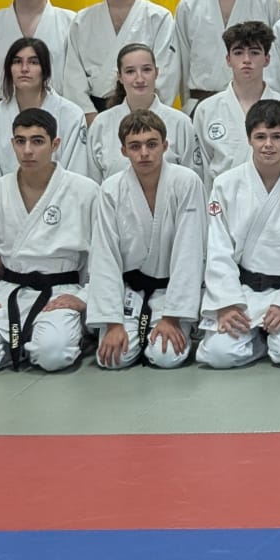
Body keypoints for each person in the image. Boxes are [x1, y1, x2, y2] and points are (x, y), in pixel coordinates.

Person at [0, 108, 101, 375]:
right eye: (21, 141)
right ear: (13, 144)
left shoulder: (85, 191)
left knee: (53, 356)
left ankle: (61, 339)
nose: (28, 150)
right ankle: (21, 346)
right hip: (8, 292)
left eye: (37, 141)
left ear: (55, 144)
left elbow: (101, 254)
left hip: (60, 291)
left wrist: (84, 297)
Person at [197, 99, 280, 369]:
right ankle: (259, 340)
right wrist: (228, 303)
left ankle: (271, 337)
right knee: (218, 355)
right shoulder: (225, 184)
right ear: (249, 138)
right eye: (260, 137)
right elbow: (218, 250)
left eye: (276, 136)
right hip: (243, 292)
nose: (268, 144)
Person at [86, 110, 207, 369]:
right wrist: (113, 322)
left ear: (165, 145)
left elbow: (190, 251)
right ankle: (129, 328)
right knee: (113, 360)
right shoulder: (111, 189)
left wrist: (172, 317)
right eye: (135, 146)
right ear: (123, 151)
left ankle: (168, 323)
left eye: (152, 144)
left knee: (166, 356)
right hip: (129, 292)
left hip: (171, 292)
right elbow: (105, 256)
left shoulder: (186, 182)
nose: (144, 153)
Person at [61, 0, 180, 115]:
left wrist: (145, 117)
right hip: (94, 113)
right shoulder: (82, 20)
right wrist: (89, 116)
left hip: (144, 113)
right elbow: (73, 76)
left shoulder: (158, 18)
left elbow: (166, 74)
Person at [192, 21, 280, 186]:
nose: (246, 60)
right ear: (228, 59)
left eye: (254, 52)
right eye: (238, 53)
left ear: (267, 59)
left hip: (277, 197)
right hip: (222, 198)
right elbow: (200, 171)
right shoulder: (206, 110)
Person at [0, 36, 89, 181]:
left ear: (45, 70)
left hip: (61, 194)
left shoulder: (72, 115)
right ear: (9, 69)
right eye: (17, 62)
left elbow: (77, 177)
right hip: (3, 195)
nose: (24, 69)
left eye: (33, 62)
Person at [85, 44, 203, 179]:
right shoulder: (101, 124)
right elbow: (92, 183)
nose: (139, 79)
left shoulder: (180, 123)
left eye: (146, 70)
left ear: (156, 72)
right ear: (120, 77)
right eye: (130, 71)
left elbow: (193, 180)